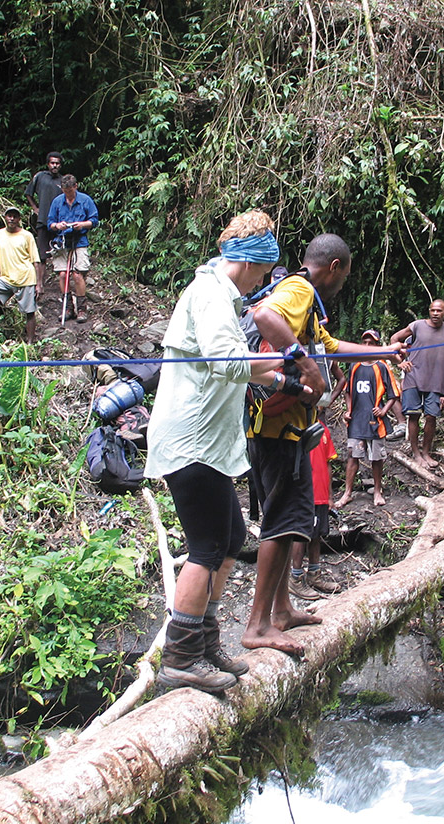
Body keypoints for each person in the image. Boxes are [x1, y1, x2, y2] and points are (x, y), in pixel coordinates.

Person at [144, 210, 286, 693]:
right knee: (206, 548)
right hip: (190, 441)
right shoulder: (209, 295)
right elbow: (229, 362)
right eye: (265, 273)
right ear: (250, 264)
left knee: (229, 538)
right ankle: (181, 657)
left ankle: (204, 642)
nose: (264, 282)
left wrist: (287, 374)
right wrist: (287, 363)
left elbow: (241, 366)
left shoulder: (220, 295)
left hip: (208, 443)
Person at [245, 234, 405, 655]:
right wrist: (308, 367)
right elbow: (264, 317)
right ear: (334, 266)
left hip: (285, 433)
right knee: (281, 527)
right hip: (279, 434)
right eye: (345, 275)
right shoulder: (298, 290)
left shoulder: (307, 302)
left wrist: (386, 351)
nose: (343, 284)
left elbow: (333, 347)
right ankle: (257, 625)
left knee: (288, 522)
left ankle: (280, 611)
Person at [390, 299, 444, 468]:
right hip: (413, 376)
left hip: (437, 380)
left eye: (439, 311)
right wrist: (399, 360)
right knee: (413, 415)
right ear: (429, 311)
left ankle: (426, 453)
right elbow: (395, 337)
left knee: (431, 417)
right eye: (433, 310)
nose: (435, 313)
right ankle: (416, 454)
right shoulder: (417, 325)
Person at [334, 329, 398, 508]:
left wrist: (383, 410)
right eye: (365, 342)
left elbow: (393, 394)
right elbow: (348, 392)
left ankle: (377, 491)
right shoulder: (354, 365)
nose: (368, 346)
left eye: (372, 343)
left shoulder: (382, 366)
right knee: (352, 455)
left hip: (375, 421)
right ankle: (347, 493)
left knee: (376, 457)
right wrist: (348, 410)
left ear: (377, 345)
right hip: (356, 420)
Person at [289, 425, 343, 600]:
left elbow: (327, 463)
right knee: (301, 535)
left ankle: (314, 573)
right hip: (304, 493)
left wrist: (329, 496)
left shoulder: (324, 430)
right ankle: (295, 577)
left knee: (317, 534)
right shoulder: (296, 428)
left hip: (320, 494)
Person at [0, 207, 43, 344]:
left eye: (15, 216)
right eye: (9, 216)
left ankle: (30, 343)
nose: (12, 219)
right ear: (5, 218)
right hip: (6, 278)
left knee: (29, 312)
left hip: (26, 278)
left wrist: (39, 284)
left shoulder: (27, 236)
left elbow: (36, 261)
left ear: (19, 219)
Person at [46, 174, 99, 322]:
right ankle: (68, 307)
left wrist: (82, 224)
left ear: (75, 187)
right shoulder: (57, 202)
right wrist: (57, 225)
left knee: (77, 274)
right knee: (63, 274)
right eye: (65, 191)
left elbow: (94, 220)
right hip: (62, 241)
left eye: (69, 190)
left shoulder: (85, 200)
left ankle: (81, 309)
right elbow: (50, 223)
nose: (67, 194)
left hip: (79, 240)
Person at [23, 152, 63, 290]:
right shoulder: (40, 177)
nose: (55, 165)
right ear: (48, 164)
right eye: (52, 163)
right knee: (41, 253)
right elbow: (28, 193)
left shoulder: (63, 181)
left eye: (57, 163)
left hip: (58, 223)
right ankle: (39, 283)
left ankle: (61, 285)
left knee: (59, 252)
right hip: (43, 220)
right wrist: (35, 207)